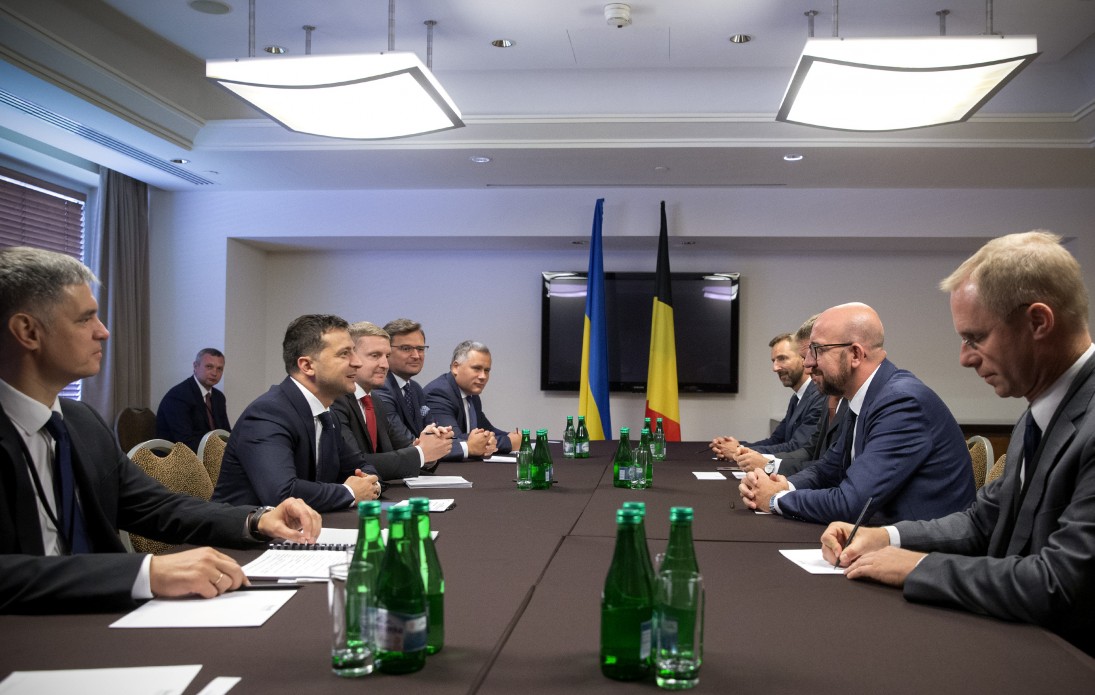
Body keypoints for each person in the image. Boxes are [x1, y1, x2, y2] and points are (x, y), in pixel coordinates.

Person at [0, 247, 320, 614]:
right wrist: (144, 572)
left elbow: (158, 507)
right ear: (28, 331)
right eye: (85, 319)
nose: (103, 332)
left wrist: (255, 519)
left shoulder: (81, 421)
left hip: (99, 615)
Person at [821, 231, 1095, 656]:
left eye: (975, 338)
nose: (965, 358)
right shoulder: (1038, 413)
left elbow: (1058, 584)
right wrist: (886, 537)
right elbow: (981, 523)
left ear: (1038, 322)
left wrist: (919, 566)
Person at [739, 302, 975, 524]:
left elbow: (851, 502)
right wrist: (784, 486)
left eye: (817, 350)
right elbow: (827, 470)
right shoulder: (864, 398)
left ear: (855, 354)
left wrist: (775, 499)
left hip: (919, 548)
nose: (808, 364)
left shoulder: (900, 403)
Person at [213, 315, 382, 513]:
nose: (357, 362)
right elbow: (283, 494)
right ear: (307, 366)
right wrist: (350, 492)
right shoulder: (268, 414)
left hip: (304, 526)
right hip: (245, 530)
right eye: (344, 354)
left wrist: (370, 485)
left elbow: (361, 467)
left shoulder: (327, 414)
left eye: (353, 351)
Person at [331, 322, 452, 480]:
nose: (385, 365)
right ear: (351, 358)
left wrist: (429, 447)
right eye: (375, 356)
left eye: (387, 356)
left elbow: (400, 451)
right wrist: (421, 453)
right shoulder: (335, 400)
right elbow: (354, 464)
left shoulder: (376, 402)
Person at [711, 328, 824, 462]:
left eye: (782, 358)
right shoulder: (797, 398)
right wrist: (736, 447)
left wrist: (738, 450)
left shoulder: (819, 397)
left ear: (803, 358)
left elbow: (797, 447)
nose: (775, 368)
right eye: (773, 361)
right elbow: (776, 440)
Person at [374, 318, 473, 461]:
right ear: (387, 351)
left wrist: (441, 439)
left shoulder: (415, 389)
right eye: (406, 348)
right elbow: (405, 443)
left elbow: (433, 433)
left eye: (420, 349)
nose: (416, 355)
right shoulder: (380, 388)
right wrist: (467, 447)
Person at [423, 340, 521, 458]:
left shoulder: (472, 396)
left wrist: (513, 436)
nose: (483, 376)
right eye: (476, 368)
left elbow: (487, 430)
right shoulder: (438, 393)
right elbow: (453, 439)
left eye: (486, 370)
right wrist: (508, 442)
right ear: (455, 367)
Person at [155, 348, 232, 450]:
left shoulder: (219, 397)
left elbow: (226, 434)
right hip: (178, 456)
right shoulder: (178, 396)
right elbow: (184, 441)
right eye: (209, 367)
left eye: (219, 369)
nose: (214, 373)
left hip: (211, 454)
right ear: (195, 366)